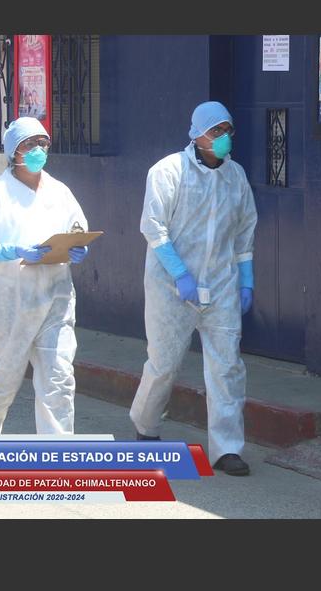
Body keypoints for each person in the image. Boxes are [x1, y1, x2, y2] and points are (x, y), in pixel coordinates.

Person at [130, 101, 258, 476]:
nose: (223, 138)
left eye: (228, 131)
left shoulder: (236, 177)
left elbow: (244, 232)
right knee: (164, 363)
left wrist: (246, 280)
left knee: (227, 367)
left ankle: (226, 448)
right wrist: (180, 274)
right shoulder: (169, 171)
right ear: (196, 134)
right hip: (172, 287)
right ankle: (146, 426)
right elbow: (153, 227)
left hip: (220, 286)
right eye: (215, 131)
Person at [0, 116, 90, 434]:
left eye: (43, 144)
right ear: (13, 151)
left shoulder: (59, 192)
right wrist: (13, 251)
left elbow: (78, 227)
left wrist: (78, 245)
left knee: (59, 381)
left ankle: (59, 462)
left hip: (56, 300)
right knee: (3, 380)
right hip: (12, 306)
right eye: (29, 144)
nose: (38, 150)